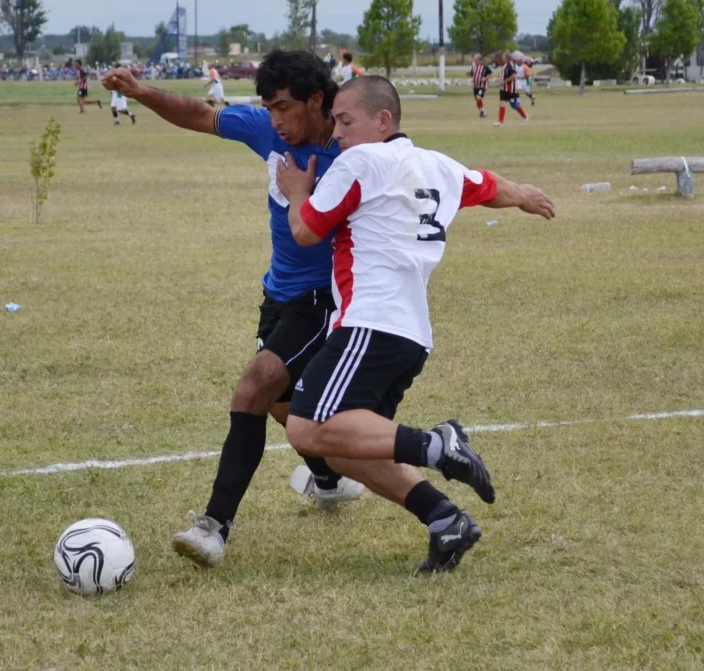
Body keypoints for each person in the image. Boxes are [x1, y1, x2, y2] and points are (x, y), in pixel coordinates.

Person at [103, 51, 460, 570]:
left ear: (318, 101)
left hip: (324, 302)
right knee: (284, 408)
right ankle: (339, 482)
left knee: (253, 389)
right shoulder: (269, 130)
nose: (275, 121)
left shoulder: (355, 151)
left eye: (284, 108)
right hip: (279, 295)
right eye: (268, 108)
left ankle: (213, 528)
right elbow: (201, 114)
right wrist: (142, 93)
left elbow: (414, 181)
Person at [275, 75, 556, 571]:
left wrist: (299, 190)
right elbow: (488, 185)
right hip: (410, 336)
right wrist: (525, 196)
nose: (336, 133)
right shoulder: (438, 165)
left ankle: (437, 444)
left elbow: (304, 229)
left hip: (369, 322)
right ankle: (445, 520)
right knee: (346, 452)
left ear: (382, 121)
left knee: (307, 427)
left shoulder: (362, 161)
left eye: (346, 120)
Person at [495, 52, 528, 127]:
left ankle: (525, 116)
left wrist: (503, 82)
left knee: (513, 105)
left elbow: (514, 75)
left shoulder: (510, 65)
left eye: (503, 57)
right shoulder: (505, 65)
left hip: (510, 89)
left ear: (506, 58)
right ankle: (501, 122)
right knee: (502, 104)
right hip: (503, 89)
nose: (502, 58)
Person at [469, 53, 492, 119]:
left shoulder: (484, 66)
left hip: (482, 85)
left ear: (479, 60)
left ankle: (482, 112)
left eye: (475, 59)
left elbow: (490, 74)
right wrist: (472, 79)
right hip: (475, 85)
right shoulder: (474, 66)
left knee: (478, 97)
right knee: (477, 100)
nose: (474, 61)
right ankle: (482, 112)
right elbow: (472, 74)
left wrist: (485, 78)